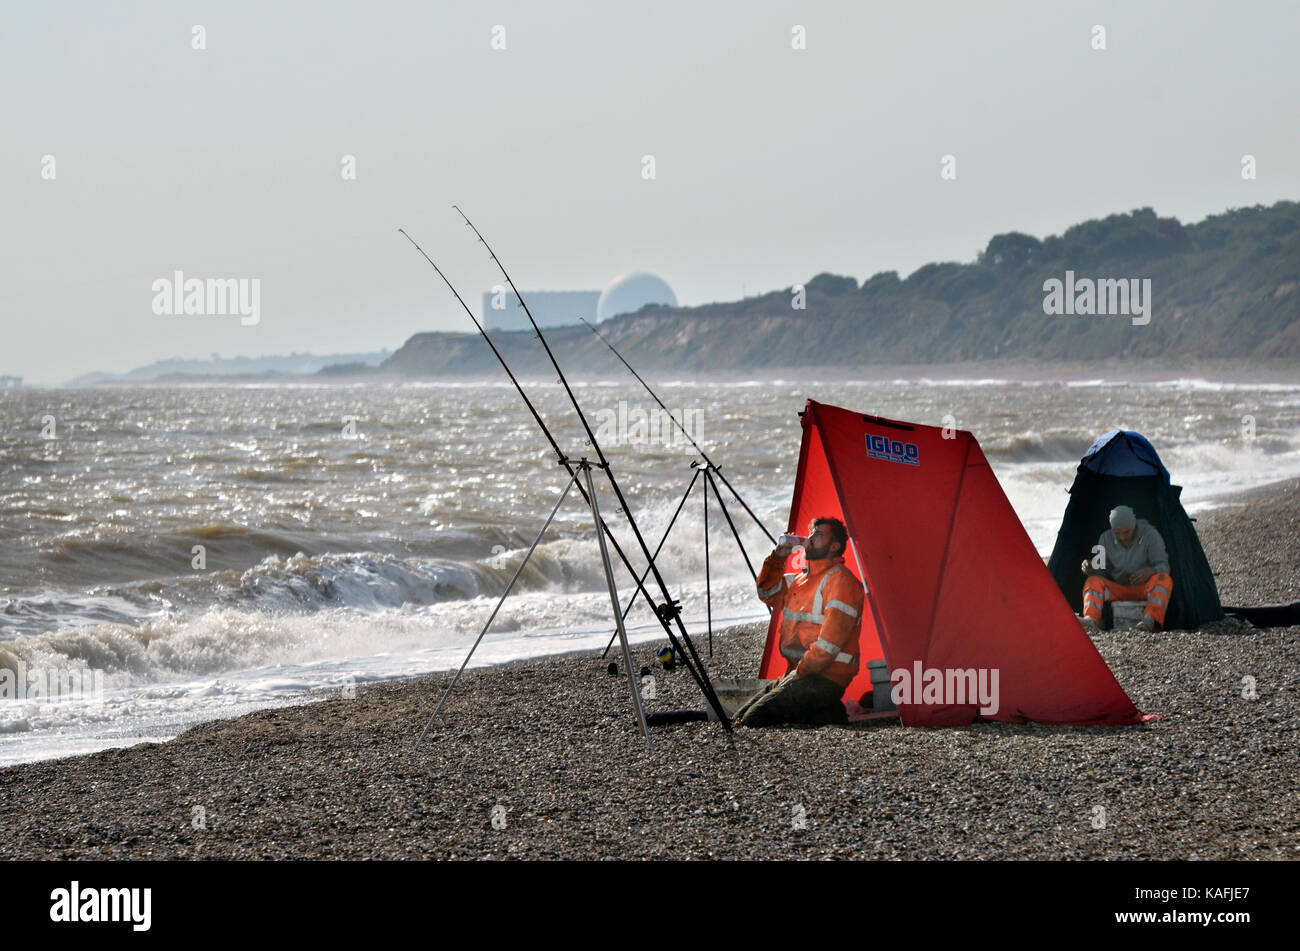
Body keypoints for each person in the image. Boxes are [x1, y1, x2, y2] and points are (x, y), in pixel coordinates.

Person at [734, 517, 864, 727]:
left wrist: (800, 673)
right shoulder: (800, 581)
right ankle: (827, 711)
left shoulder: (841, 581)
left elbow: (829, 643)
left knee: (752, 720)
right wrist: (778, 556)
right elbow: (766, 591)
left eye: (819, 535)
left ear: (834, 546)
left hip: (825, 679)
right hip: (799, 673)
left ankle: (825, 712)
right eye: (811, 533)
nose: (810, 538)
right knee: (739, 717)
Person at [1080, 505, 1173, 632]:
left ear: (1134, 525)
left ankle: (1150, 620)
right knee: (1092, 581)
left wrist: (1151, 571)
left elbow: (1164, 566)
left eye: (1126, 532)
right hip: (1118, 589)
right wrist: (1091, 568)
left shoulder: (1150, 535)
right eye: (1117, 533)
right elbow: (1102, 570)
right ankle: (1091, 620)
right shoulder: (1105, 538)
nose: (1122, 537)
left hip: (1144, 588)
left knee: (1164, 579)